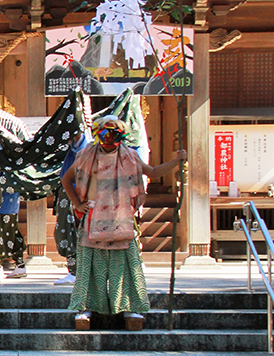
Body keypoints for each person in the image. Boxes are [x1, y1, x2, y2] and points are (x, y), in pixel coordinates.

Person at [61, 115, 186, 331]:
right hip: (93, 219)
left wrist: (177, 161)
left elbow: (153, 172)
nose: (109, 139)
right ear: (98, 134)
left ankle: (130, 306)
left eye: (114, 134)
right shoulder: (85, 155)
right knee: (89, 268)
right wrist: (76, 203)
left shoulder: (130, 156)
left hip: (122, 220)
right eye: (104, 134)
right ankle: (85, 307)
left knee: (126, 267)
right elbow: (66, 179)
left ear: (121, 135)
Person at [53, 131, 91, 285]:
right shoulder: (73, 151)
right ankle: (74, 270)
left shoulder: (85, 147)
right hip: (69, 193)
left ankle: (77, 271)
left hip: (78, 193)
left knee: (73, 231)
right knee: (65, 230)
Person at [0, 188, 27, 279]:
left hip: (2, 199)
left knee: (0, 232)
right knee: (12, 231)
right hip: (11, 197)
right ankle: (19, 264)